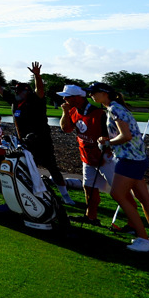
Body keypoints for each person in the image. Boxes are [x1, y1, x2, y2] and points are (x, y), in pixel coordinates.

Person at [0, 61, 76, 205]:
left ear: (27, 91)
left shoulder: (36, 101)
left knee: (52, 167)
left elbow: (40, 90)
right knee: (27, 168)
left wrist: (37, 76)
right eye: (16, 91)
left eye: (20, 91)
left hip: (42, 140)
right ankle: (34, 193)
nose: (16, 93)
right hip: (24, 142)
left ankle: (65, 196)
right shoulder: (14, 101)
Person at [88, 82, 149, 251]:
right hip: (137, 158)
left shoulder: (115, 109)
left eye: (93, 92)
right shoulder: (114, 108)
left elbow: (126, 136)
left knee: (117, 194)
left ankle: (143, 239)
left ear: (104, 93)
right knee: (144, 199)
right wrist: (109, 141)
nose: (91, 95)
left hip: (130, 159)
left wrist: (107, 142)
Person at [59, 84, 115, 226]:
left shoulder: (99, 114)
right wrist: (65, 112)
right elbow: (66, 129)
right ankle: (91, 217)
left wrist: (104, 151)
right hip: (87, 157)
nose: (64, 98)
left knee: (119, 191)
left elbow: (110, 137)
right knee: (88, 187)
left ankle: (132, 224)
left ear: (78, 98)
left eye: (67, 96)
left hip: (105, 158)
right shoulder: (72, 111)